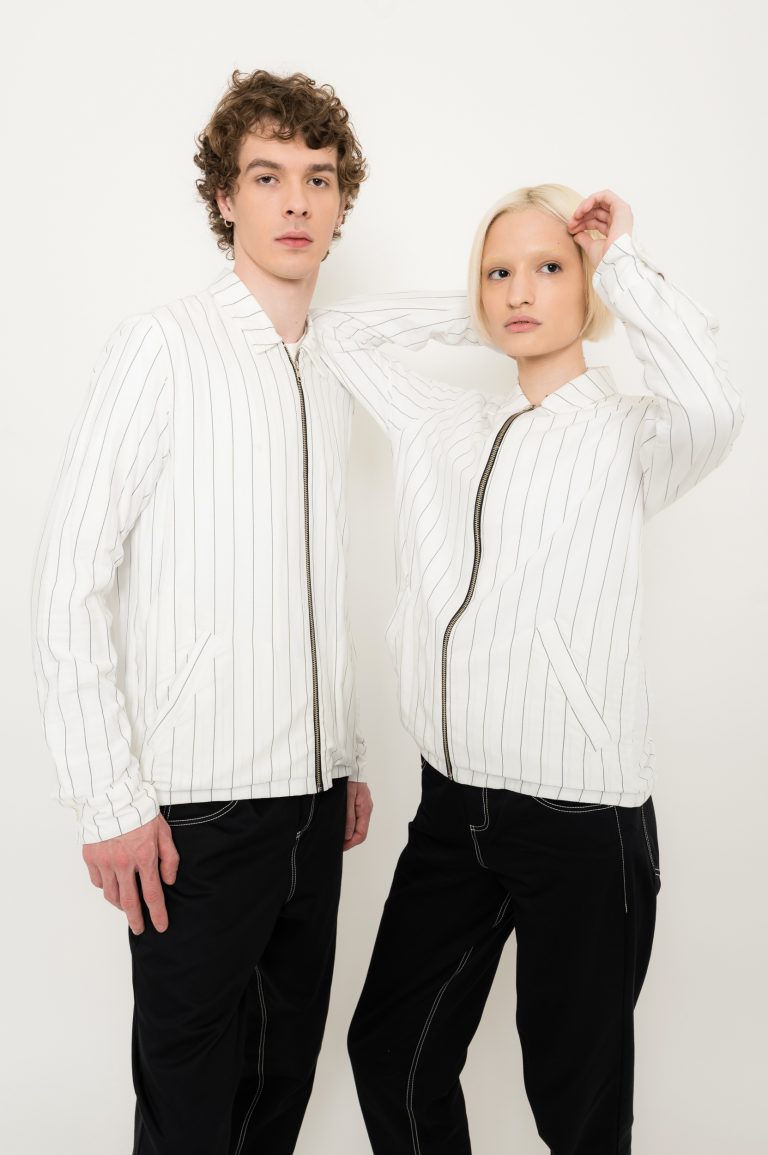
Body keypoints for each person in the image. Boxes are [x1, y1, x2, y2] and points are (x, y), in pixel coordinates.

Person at [313, 185, 743, 1153]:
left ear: (589, 283)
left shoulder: (631, 434)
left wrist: (619, 266)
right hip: (454, 811)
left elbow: (714, 401)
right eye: (498, 272)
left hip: (581, 822)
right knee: (393, 1053)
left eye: (549, 268)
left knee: (575, 1103)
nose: (519, 291)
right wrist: (476, 311)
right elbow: (340, 334)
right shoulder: (443, 424)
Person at [30, 69, 374, 1155]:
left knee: (277, 1098)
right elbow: (69, 574)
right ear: (225, 198)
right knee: (187, 1117)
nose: (297, 201)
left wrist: (342, 752)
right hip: (197, 814)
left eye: (318, 178)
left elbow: (315, 572)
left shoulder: (333, 367)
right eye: (267, 177)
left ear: (341, 201)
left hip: (313, 807)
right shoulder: (163, 345)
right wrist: (107, 797)